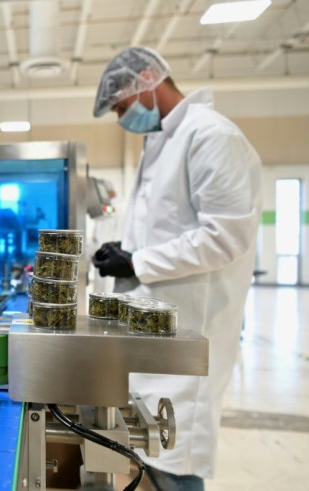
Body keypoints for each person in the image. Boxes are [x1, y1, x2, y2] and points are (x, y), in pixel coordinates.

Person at [91, 47, 262, 489]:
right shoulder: (161, 142)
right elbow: (164, 228)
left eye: (124, 107)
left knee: (177, 458)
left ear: (148, 78)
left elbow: (226, 236)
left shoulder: (211, 135)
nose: (123, 119)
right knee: (153, 451)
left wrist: (139, 260)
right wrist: (125, 248)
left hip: (190, 332)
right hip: (155, 330)